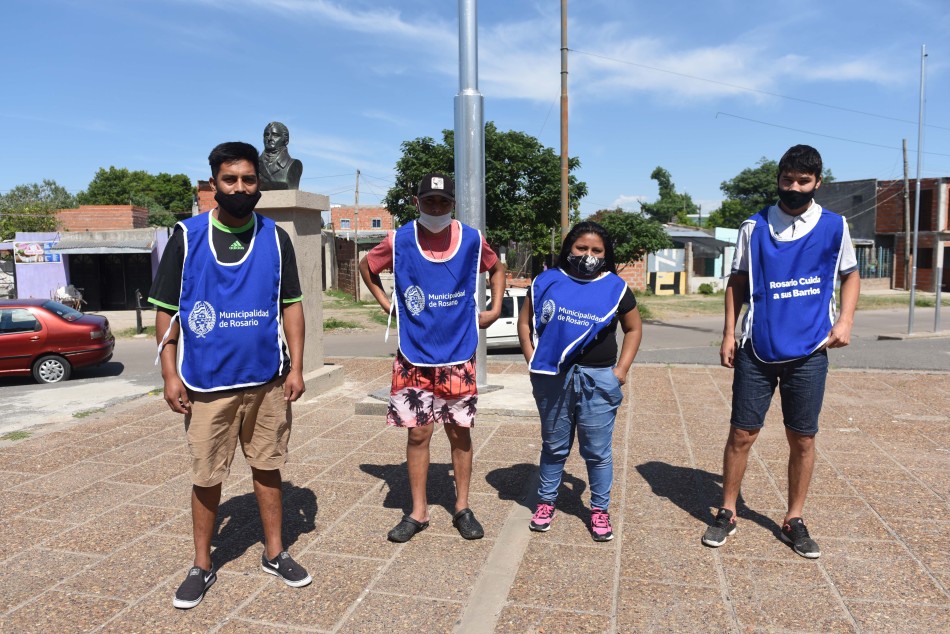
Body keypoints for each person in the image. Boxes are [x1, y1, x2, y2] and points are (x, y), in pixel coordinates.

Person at [149, 141, 311, 609]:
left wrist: (296, 367)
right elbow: (166, 312)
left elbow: (291, 306)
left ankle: (275, 553)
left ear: (259, 182)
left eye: (248, 179)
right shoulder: (187, 236)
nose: (240, 188)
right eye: (230, 180)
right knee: (207, 476)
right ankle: (201, 564)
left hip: (266, 381)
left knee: (269, 466)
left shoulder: (276, 239)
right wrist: (169, 374)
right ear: (214, 184)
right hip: (206, 386)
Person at [701, 144, 860, 559]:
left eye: (803, 181)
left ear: (817, 182)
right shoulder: (753, 227)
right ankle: (728, 511)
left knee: (802, 438)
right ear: (778, 179)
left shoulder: (834, 225)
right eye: (787, 180)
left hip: (809, 350)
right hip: (757, 348)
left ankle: (794, 519)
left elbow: (850, 275)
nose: (794, 187)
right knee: (741, 433)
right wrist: (728, 333)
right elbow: (737, 281)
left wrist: (844, 321)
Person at [359, 172, 505, 543]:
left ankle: (462, 507)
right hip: (414, 353)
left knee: (460, 433)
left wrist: (495, 306)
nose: (436, 208)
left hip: (458, 352)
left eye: (443, 202)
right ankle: (418, 511)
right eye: (429, 201)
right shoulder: (399, 239)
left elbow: (497, 268)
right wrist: (387, 305)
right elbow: (366, 268)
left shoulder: (471, 239)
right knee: (419, 433)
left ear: (452, 203)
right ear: (417, 202)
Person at [517, 221, 643, 542]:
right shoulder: (547, 281)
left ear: (606, 254)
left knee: (597, 451)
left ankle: (599, 509)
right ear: (568, 249)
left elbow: (633, 329)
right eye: (581, 248)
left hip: (599, 379)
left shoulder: (615, 287)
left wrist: (621, 370)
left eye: (596, 250)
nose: (588, 255)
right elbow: (524, 320)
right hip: (553, 377)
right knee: (555, 446)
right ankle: (546, 503)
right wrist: (531, 356)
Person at [258, 121, 303, 190]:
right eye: (266, 135)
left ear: (286, 140)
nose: (269, 138)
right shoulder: (254, 164)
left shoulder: (294, 164)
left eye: (275, 135)